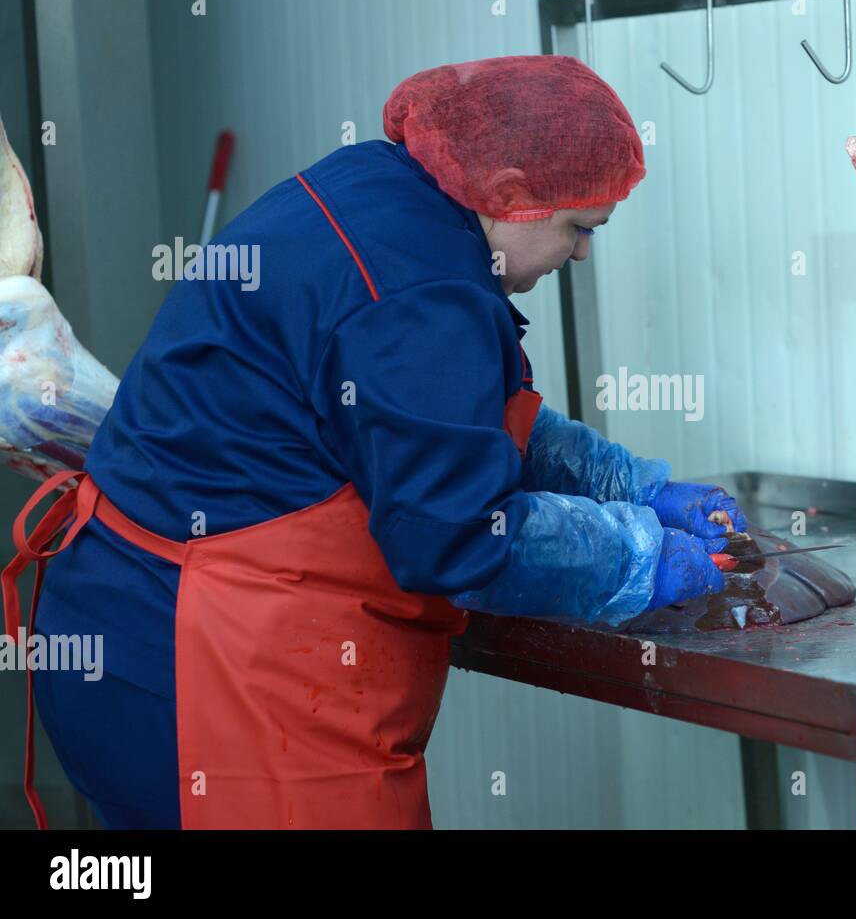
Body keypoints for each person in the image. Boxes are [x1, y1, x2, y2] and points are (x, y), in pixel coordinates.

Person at [10, 55, 747, 829]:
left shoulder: (390, 193)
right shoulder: (423, 294)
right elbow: (455, 539)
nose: (584, 253)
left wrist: (631, 484)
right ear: (512, 197)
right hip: (209, 681)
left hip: (128, 627)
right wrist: (639, 556)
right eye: (580, 228)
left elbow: (456, 423)